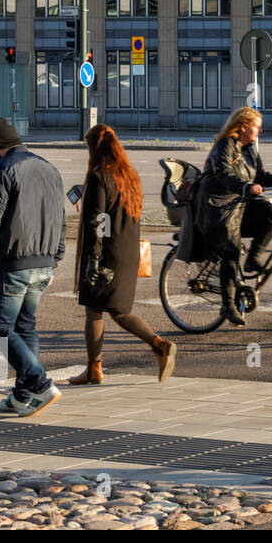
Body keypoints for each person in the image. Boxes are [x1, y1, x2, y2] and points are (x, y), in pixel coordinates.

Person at [0, 117, 65, 418]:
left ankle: (40, 384)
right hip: (44, 261)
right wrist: (56, 258)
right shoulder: (49, 168)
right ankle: (22, 396)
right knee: (25, 326)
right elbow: (60, 219)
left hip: (11, 262)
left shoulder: (0, 170)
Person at [67, 125, 175, 386]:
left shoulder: (98, 176)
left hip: (106, 254)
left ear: (94, 148)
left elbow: (98, 221)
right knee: (120, 311)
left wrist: (93, 259)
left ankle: (99, 367)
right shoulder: (130, 176)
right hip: (129, 252)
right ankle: (155, 346)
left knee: (95, 311)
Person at [198, 108, 272, 325]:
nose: (260, 131)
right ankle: (227, 306)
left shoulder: (249, 149)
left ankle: (253, 260)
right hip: (217, 205)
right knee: (230, 251)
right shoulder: (224, 146)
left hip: (239, 203)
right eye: (256, 126)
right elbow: (223, 173)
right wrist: (245, 187)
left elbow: (259, 175)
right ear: (243, 126)